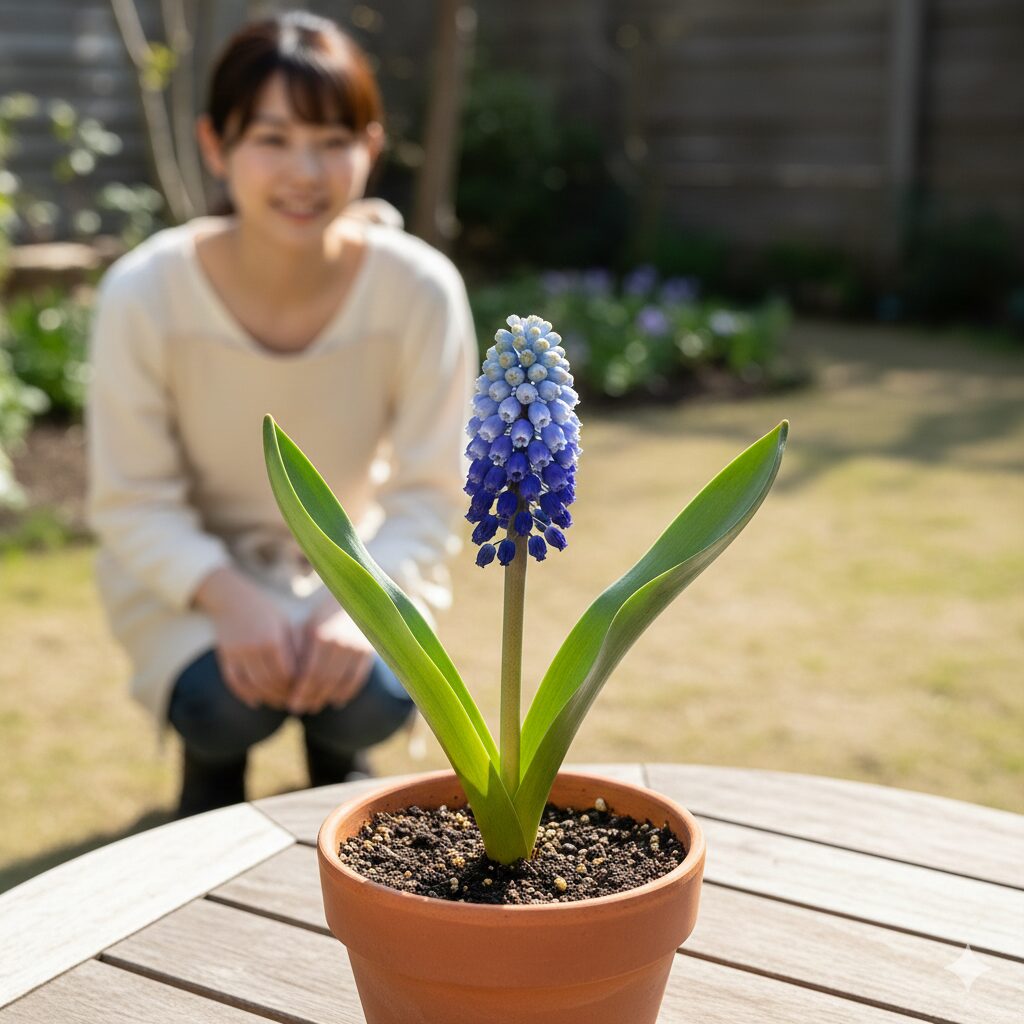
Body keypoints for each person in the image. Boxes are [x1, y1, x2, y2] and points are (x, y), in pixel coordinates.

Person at [85, 11, 475, 818]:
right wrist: (228, 597)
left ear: (371, 146)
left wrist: (358, 600)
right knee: (224, 703)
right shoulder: (145, 291)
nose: (305, 170)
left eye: (333, 139)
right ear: (215, 144)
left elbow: (434, 494)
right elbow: (133, 500)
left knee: (370, 693)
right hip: (190, 577)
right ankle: (209, 785)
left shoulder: (419, 290)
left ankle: (344, 770)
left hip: (356, 568)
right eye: (272, 137)